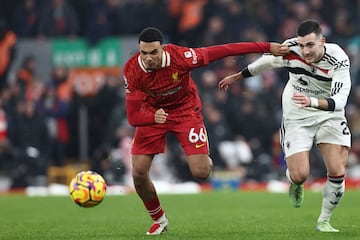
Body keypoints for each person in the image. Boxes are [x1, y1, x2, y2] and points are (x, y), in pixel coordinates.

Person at [122, 26, 288, 235]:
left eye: (153, 52)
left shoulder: (182, 57)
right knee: (138, 174)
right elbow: (133, 117)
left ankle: (204, 158)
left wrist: (267, 47)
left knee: (201, 172)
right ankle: (159, 219)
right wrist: (151, 117)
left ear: (162, 49)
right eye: (144, 53)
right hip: (153, 114)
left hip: (185, 112)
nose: (148, 58)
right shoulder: (132, 70)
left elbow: (226, 49)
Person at [219, 19, 351, 233]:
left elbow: (340, 102)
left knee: (337, 170)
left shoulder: (338, 59)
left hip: (329, 113)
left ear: (322, 41)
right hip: (297, 114)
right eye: (301, 45)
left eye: (310, 45)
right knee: (300, 175)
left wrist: (313, 102)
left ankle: (324, 220)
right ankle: (294, 182)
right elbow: (267, 62)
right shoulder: (290, 49)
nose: (305, 51)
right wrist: (239, 76)